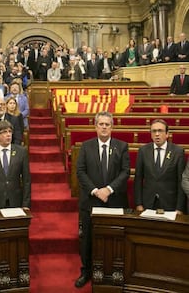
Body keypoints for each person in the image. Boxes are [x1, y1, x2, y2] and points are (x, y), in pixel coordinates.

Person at [76, 111, 130, 288]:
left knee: (114, 238)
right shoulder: (86, 146)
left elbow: (125, 172)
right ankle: (86, 272)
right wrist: (95, 191)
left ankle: (114, 271)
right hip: (91, 201)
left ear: (112, 127)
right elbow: (80, 172)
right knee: (87, 239)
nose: (104, 127)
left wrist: (108, 189)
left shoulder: (122, 146)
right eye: (101, 124)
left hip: (114, 200)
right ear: (95, 126)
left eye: (107, 124)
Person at [134, 119, 186, 213]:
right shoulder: (143, 151)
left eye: (160, 131)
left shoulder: (178, 152)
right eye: (154, 131)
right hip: (148, 203)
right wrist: (138, 204)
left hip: (170, 204)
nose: (157, 134)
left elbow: (181, 181)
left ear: (167, 134)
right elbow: (138, 179)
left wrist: (180, 208)